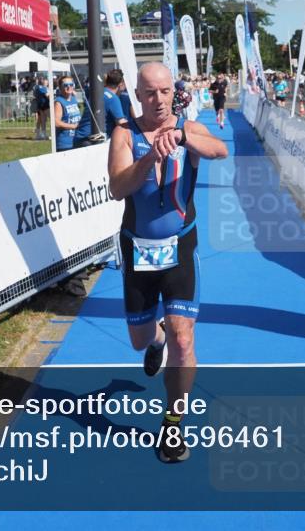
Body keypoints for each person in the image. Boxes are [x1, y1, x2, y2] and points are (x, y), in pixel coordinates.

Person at [107, 62, 227, 463]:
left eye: (164, 92)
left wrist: (182, 139)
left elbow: (220, 149)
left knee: (184, 338)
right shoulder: (124, 133)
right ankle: (154, 336)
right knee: (142, 340)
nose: (157, 100)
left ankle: (173, 424)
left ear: (172, 93)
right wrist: (146, 160)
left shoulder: (187, 128)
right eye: (149, 93)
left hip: (180, 247)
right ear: (137, 94)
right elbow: (116, 188)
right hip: (137, 248)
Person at [53, 76, 81, 152]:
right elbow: (56, 122)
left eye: (71, 84)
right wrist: (73, 126)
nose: (69, 87)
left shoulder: (74, 99)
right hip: (64, 143)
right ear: (60, 87)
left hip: (76, 140)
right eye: (65, 85)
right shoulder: (59, 102)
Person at [103, 69, 129, 135]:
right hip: (93, 140)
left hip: (81, 138)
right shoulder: (113, 98)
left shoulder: (100, 92)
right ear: (121, 84)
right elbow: (121, 123)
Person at [33, 76, 50, 140]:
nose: (47, 83)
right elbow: (47, 96)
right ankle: (42, 134)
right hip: (44, 106)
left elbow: (35, 95)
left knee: (42, 121)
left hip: (41, 106)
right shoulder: (42, 88)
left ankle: (43, 134)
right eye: (46, 82)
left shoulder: (37, 88)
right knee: (52, 119)